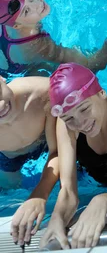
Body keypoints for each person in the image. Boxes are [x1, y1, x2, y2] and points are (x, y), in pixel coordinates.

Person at [40, 63, 107, 250]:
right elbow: (68, 191)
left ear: (101, 93)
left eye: (84, 109)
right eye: (69, 118)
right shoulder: (65, 123)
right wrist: (57, 218)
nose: (80, 123)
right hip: (96, 177)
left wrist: (102, 200)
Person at [0, 0, 107, 78]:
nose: (37, 4)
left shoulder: (9, 11)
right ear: (16, 26)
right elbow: (89, 66)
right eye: (27, 11)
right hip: (14, 70)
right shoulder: (37, 45)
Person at [0, 77, 58, 247]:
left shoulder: (43, 93)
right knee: (10, 191)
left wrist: (39, 195)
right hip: (8, 155)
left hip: (45, 140)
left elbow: (58, 151)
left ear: (2, 79)